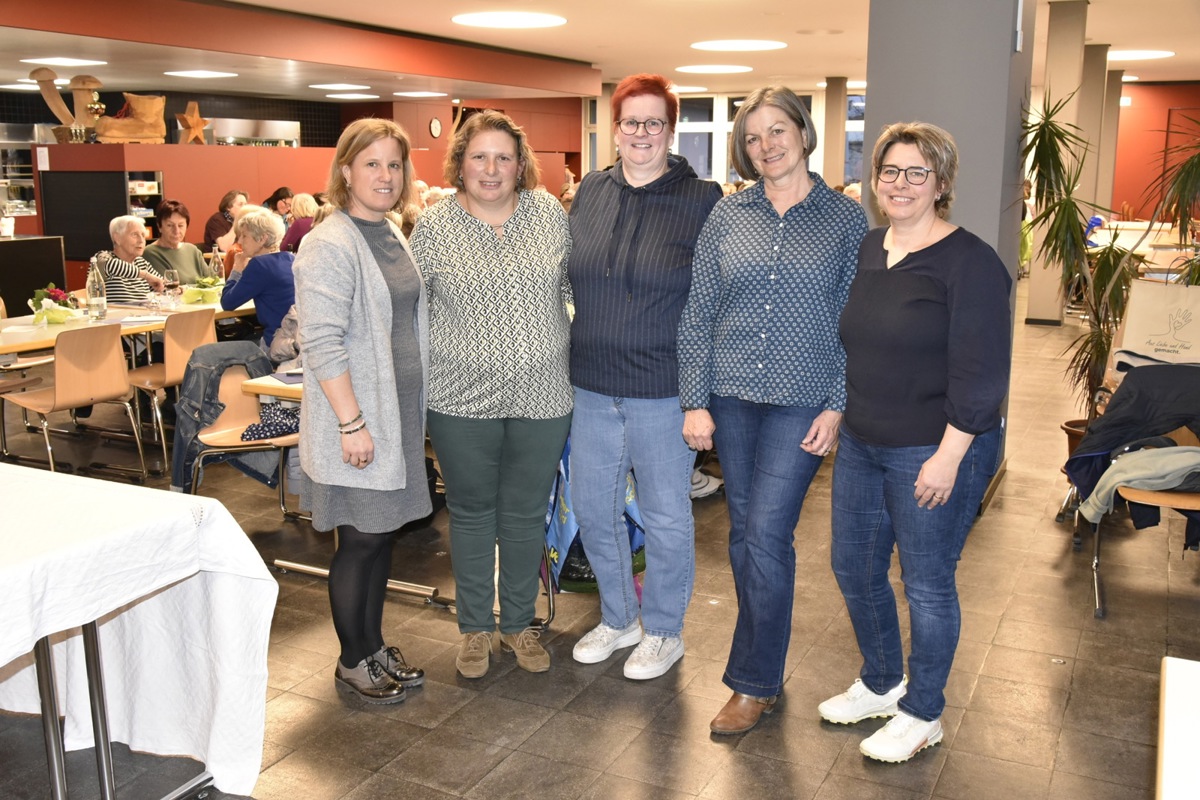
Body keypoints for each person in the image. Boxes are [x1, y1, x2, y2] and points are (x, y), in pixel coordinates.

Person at [677, 85, 868, 735]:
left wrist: (839, 405)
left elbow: (855, 320)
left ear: (804, 133)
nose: (766, 147)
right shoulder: (728, 216)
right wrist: (695, 399)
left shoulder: (845, 221)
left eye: (777, 131)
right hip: (731, 398)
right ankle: (766, 668)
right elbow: (698, 310)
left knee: (764, 535)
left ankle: (752, 683)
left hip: (801, 401)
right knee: (745, 537)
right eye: (753, 137)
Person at [819, 122, 1010, 763]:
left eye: (917, 173)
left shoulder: (971, 261)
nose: (900, 185)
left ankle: (924, 711)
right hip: (866, 441)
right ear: (875, 182)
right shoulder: (873, 248)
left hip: (933, 448)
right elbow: (861, 346)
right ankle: (881, 682)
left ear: (942, 183)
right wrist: (840, 412)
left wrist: (950, 456)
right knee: (854, 566)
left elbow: (982, 374)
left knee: (926, 583)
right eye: (890, 172)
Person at [568, 73, 723, 681]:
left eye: (653, 122)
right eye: (630, 122)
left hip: (664, 391)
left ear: (671, 128)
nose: (641, 133)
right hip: (592, 385)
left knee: (664, 516)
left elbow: (712, 302)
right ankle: (619, 616)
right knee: (592, 507)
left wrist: (698, 396)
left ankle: (663, 631)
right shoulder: (592, 191)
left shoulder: (702, 198)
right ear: (615, 127)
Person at [409, 110, 572, 679]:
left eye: (504, 156)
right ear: (459, 164)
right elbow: (410, 313)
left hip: (544, 396)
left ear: (521, 164)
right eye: (479, 156)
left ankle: (519, 625)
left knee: (526, 515)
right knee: (474, 514)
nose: (492, 168)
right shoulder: (432, 228)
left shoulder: (550, 216)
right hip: (459, 400)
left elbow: (575, 292)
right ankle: (476, 629)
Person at [293, 118, 429, 705]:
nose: (385, 175)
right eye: (372, 163)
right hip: (359, 419)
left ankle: (372, 645)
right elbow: (320, 342)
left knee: (381, 537)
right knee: (360, 541)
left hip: (395, 414)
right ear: (345, 170)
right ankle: (353, 660)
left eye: (394, 165)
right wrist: (352, 423)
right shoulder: (329, 241)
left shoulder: (390, 231)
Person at [221, 205, 296, 348]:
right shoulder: (290, 258)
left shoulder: (259, 265)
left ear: (262, 238)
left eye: (244, 236)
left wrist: (237, 269)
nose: (240, 242)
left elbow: (227, 303)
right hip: (296, 341)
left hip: (275, 345)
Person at [101, 215, 165, 304]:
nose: (141, 240)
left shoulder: (141, 263)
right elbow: (112, 265)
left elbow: (161, 284)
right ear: (117, 238)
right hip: (117, 316)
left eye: (143, 235)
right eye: (134, 235)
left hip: (143, 315)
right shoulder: (103, 258)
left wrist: (176, 289)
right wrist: (146, 275)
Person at [144, 199, 207, 284]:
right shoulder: (150, 253)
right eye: (170, 225)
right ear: (159, 226)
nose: (176, 231)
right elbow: (166, 286)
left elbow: (210, 281)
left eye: (181, 225)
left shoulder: (193, 250)